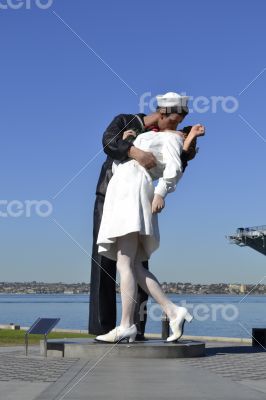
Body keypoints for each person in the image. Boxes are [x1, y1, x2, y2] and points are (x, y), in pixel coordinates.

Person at [89, 92, 202, 338]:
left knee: (126, 264)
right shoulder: (137, 127)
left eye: (180, 122)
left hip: (131, 195)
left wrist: (161, 192)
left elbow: (175, 167)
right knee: (130, 265)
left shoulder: (170, 137)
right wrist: (131, 143)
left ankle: (129, 325)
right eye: (174, 120)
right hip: (116, 195)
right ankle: (170, 311)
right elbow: (109, 142)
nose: (177, 125)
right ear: (162, 114)